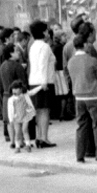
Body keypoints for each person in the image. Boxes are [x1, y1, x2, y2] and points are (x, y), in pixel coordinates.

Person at [66, 34, 97, 163]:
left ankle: (80, 155)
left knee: (81, 126)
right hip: (94, 96)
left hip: (79, 97)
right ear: (85, 45)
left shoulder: (71, 61)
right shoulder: (92, 60)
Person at [28, 20, 57, 148]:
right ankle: (44, 138)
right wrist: (44, 81)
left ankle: (40, 136)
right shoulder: (45, 46)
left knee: (39, 111)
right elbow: (43, 64)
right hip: (44, 81)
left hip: (34, 80)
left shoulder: (33, 46)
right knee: (45, 111)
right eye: (46, 30)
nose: (47, 32)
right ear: (42, 32)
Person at [0, 43, 28, 145]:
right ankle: (20, 141)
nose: (19, 52)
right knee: (19, 120)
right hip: (17, 96)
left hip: (6, 95)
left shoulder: (2, 66)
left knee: (9, 120)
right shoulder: (17, 66)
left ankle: (12, 141)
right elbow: (23, 83)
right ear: (11, 53)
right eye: (16, 51)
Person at [7, 80, 37, 153]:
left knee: (25, 130)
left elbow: (32, 92)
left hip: (25, 116)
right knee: (17, 132)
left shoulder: (25, 95)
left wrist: (41, 86)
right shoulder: (11, 99)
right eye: (13, 89)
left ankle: (28, 145)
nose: (14, 90)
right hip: (16, 118)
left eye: (16, 88)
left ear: (21, 89)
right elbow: (10, 111)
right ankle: (17, 147)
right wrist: (11, 120)